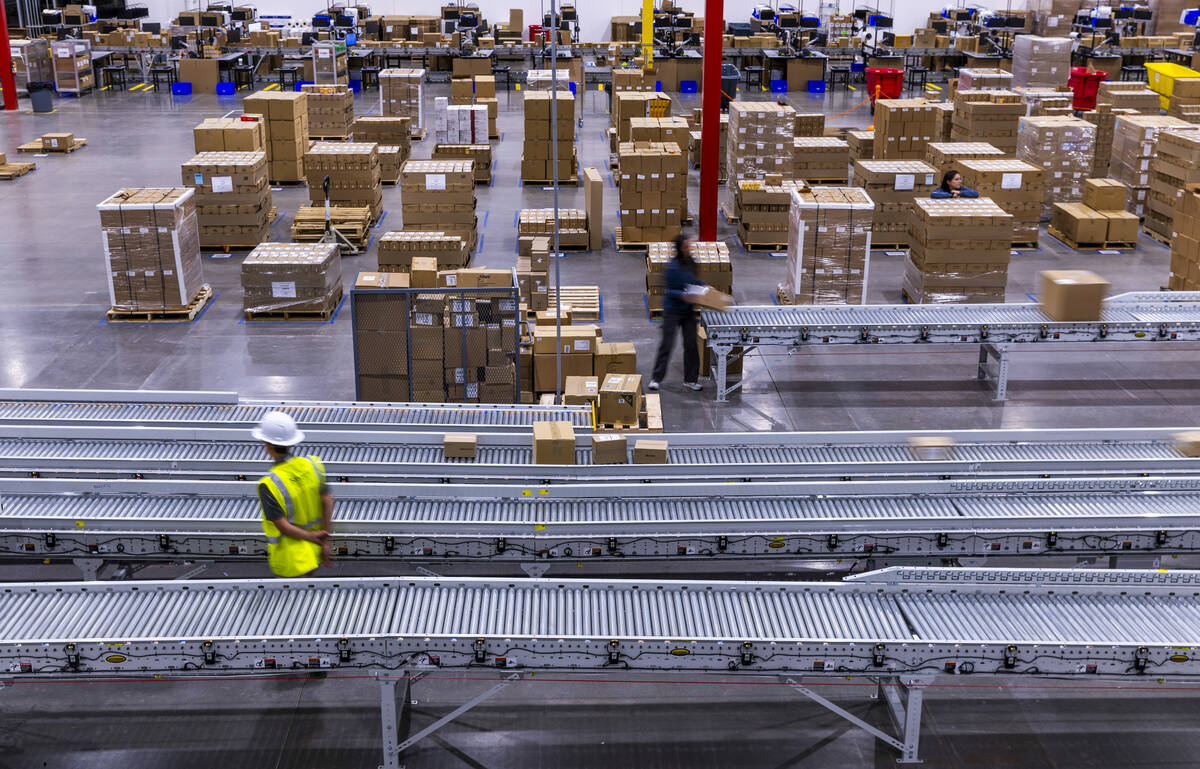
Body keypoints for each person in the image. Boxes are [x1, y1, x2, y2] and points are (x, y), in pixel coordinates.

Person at [252, 411, 334, 577]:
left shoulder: (269, 484)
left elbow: (282, 525)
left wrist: (312, 537)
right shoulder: (313, 466)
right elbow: (328, 501)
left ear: (267, 444)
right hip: (314, 552)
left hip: (290, 559)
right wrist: (324, 540)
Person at [650, 234, 704, 392]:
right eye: (687, 246)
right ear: (680, 249)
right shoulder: (672, 267)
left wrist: (705, 287)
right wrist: (682, 295)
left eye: (690, 246)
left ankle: (690, 379)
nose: (690, 249)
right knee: (667, 344)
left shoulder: (692, 263)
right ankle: (656, 378)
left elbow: (694, 281)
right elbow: (669, 290)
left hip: (688, 311)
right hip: (673, 310)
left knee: (691, 344)